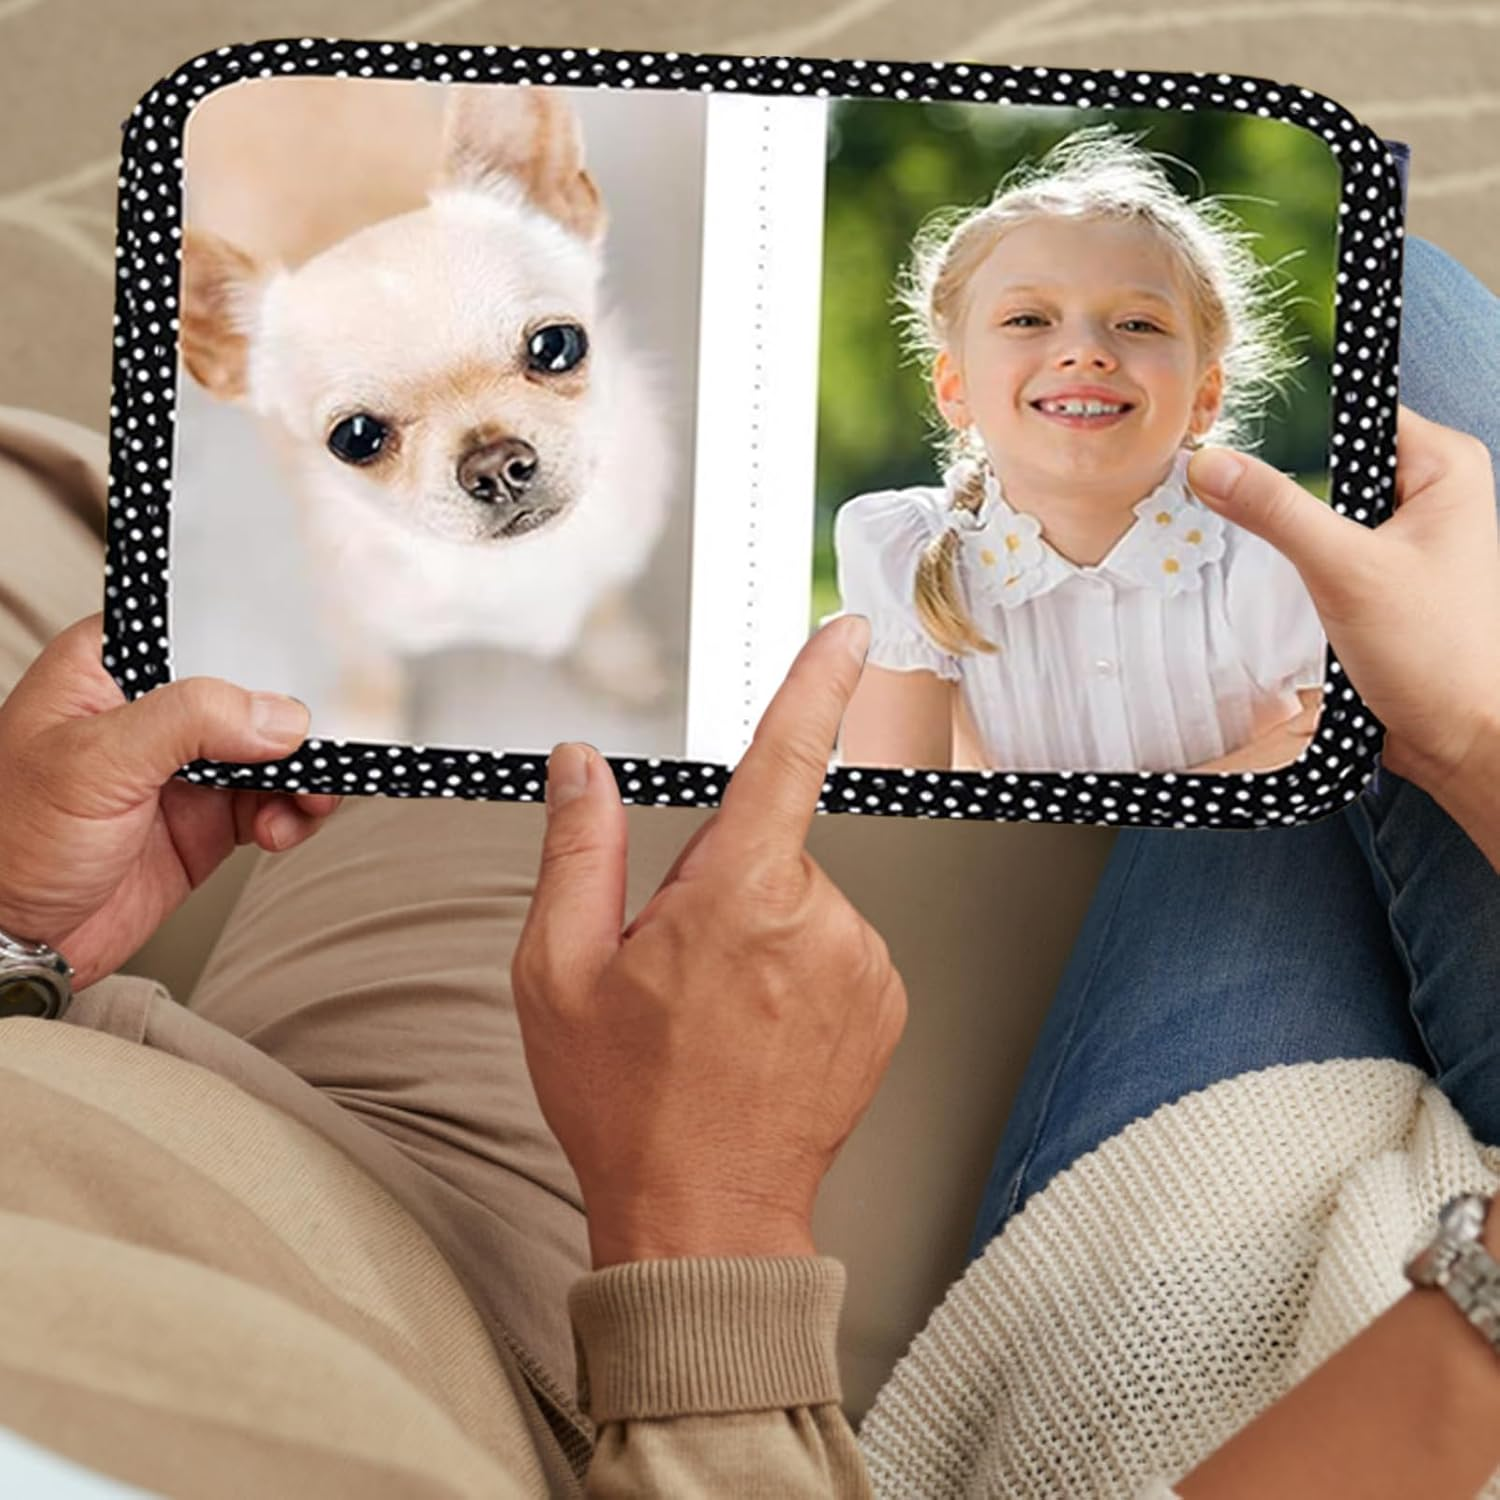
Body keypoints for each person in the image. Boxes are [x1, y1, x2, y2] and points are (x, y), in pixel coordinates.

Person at [0, 233, 1495, 1500]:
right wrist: (707, 1231)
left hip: (167, 1098)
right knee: (1384, 340)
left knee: (1360, 370)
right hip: (585, 1372)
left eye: (547, 352)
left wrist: (16, 945)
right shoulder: (912, 537)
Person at [831, 125, 1326, 776]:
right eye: (1028, 320)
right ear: (956, 389)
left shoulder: (1262, 553)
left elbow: (1346, 765)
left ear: (1205, 395)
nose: (1085, 349)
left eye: (1138, 324)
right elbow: (900, 807)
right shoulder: (903, 549)